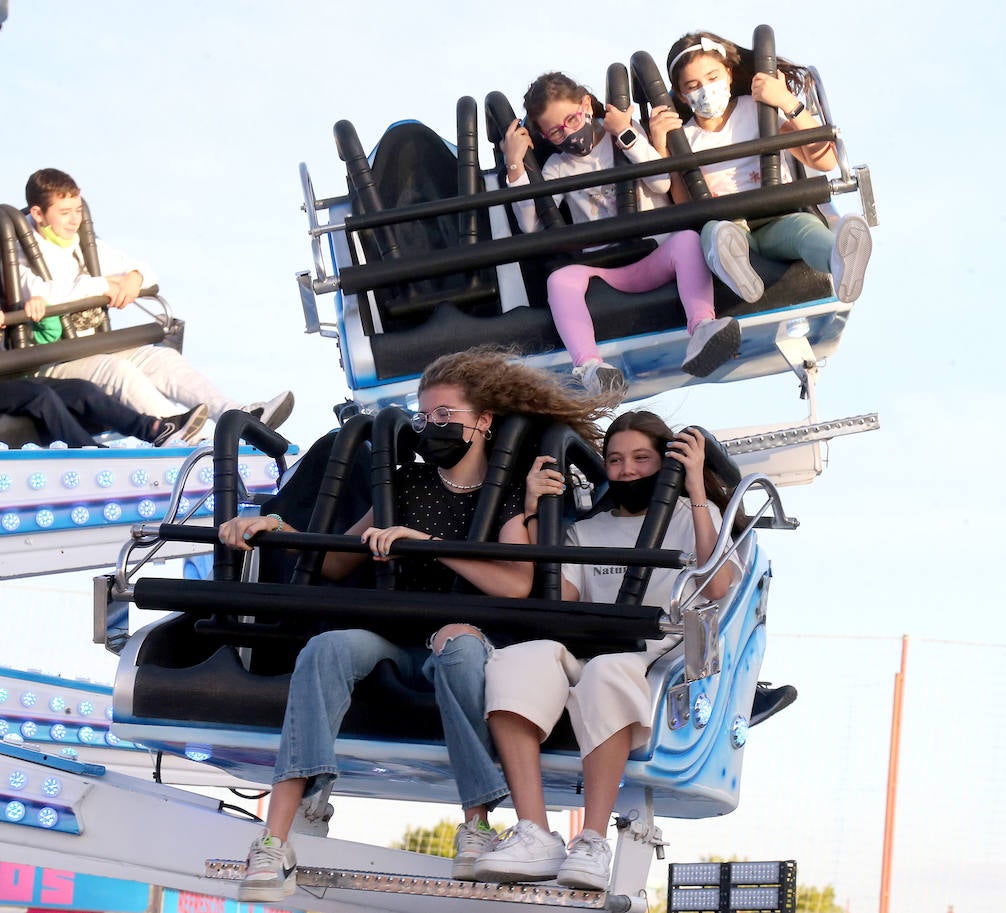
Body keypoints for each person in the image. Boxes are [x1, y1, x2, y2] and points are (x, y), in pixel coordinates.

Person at [219, 347, 611, 902]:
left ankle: (476, 824)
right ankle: (275, 838)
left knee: (460, 647)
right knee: (326, 648)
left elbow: (515, 584)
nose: (433, 427)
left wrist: (430, 546)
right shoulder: (404, 488)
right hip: (394, 638)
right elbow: (336, 560)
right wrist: (273, 523)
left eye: (446, 415)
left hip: (461, 638)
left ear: (483, 421)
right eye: (425, 417)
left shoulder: (505, 497)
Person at [471, 410, 742, 889]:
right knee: (517, 660)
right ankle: (534, 830)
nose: (627, 470)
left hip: (657, 650)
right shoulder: (588, 531)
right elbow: (555, 600)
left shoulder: (690, 518)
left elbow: (718, 583)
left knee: (608, 673)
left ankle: (593, 839)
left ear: (664, 462)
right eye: (615, 460)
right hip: (592, 641)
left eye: (641, 458)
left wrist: (697, 489)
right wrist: (535, 511)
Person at [502, 72, 741, 395]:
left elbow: (660, 184)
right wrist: (515, 164)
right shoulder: (558, 166)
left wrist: (626, 133)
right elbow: (532, 224)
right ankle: (590, 366)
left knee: (687, 240)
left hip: (652, 253)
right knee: (560, 280)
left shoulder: (626, 135)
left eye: (572, 119)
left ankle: (701, 327)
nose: (569, 133)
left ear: (586, 104)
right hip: (605, 265)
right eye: (556, 132)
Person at [19, 168, 294, 439]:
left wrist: (132, 279)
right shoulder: (19, 251)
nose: (73, 220)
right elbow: (39, 292)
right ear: (38, 214)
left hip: (94, 347)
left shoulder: (82, 243)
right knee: (119, 371)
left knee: (162, 359)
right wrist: (103, 284)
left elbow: (143, 270)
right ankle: (183, 437)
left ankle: (240, 416)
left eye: (78, 210)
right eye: (64, 213)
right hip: (53, 360)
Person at [649, 31, 872, 305]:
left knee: (805, 229)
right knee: (716, 235)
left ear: (729, 74)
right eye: (693, 85)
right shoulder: (687, 138)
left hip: (776, 216)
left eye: (713, 77)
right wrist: (662, 147)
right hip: (729, 224)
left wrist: (785, 100)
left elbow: (824, 160)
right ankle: (739, 275)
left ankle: (839, 260)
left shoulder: (757, 109)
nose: (705, 89)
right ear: (682, 96)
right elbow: (684, 204)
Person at [0, 226, 206, 448]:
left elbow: (43, 337)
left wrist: (43, 312)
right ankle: (88, 451)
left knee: (82, 389)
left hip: (14, 379)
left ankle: (155, 428)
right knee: (40, 395)